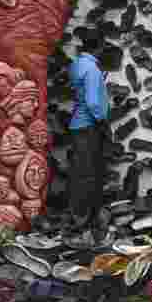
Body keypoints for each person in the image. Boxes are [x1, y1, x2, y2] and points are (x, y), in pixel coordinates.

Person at [67, 28, 109, 227]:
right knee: (88, 173)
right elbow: (92, 102)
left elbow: (80, 93)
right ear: (98, 47)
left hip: (77, 123)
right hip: (88, 126)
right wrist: (102, 121)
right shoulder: (92, 69)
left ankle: (78, 215)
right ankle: (83, 219)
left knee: (79, 172)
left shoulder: (76, 64)